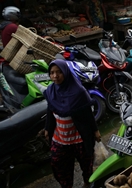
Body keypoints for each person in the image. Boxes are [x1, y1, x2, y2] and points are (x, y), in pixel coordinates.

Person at [43, 60, 101, 188]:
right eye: (52, 73)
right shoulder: (50, 91)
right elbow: (50, 109)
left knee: (86, 165)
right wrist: (47, 128)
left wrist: (95, 130)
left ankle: (87, 182)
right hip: (60, 139)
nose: (55, 76)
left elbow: (87, 113)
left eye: (59, 72)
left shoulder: (79, 92)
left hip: (79, 138)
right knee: (59, 166)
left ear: (66, 72)